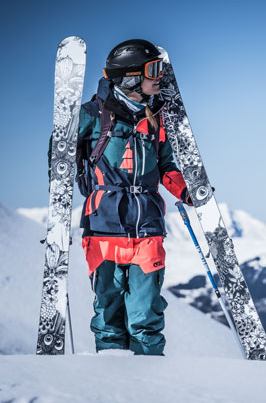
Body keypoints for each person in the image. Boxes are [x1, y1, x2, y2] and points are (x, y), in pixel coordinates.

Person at [77, 39, 191, 355]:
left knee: (147, 318)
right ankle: (117, 389)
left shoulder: (158, 118)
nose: (161, 76)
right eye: (153, 70)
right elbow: (59, 153)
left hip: (148, 230)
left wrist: (186, 189)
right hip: (103, 228)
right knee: (109, 319)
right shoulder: (91, 115)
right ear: (130, 77)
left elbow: (167, 165)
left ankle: (150, 387)